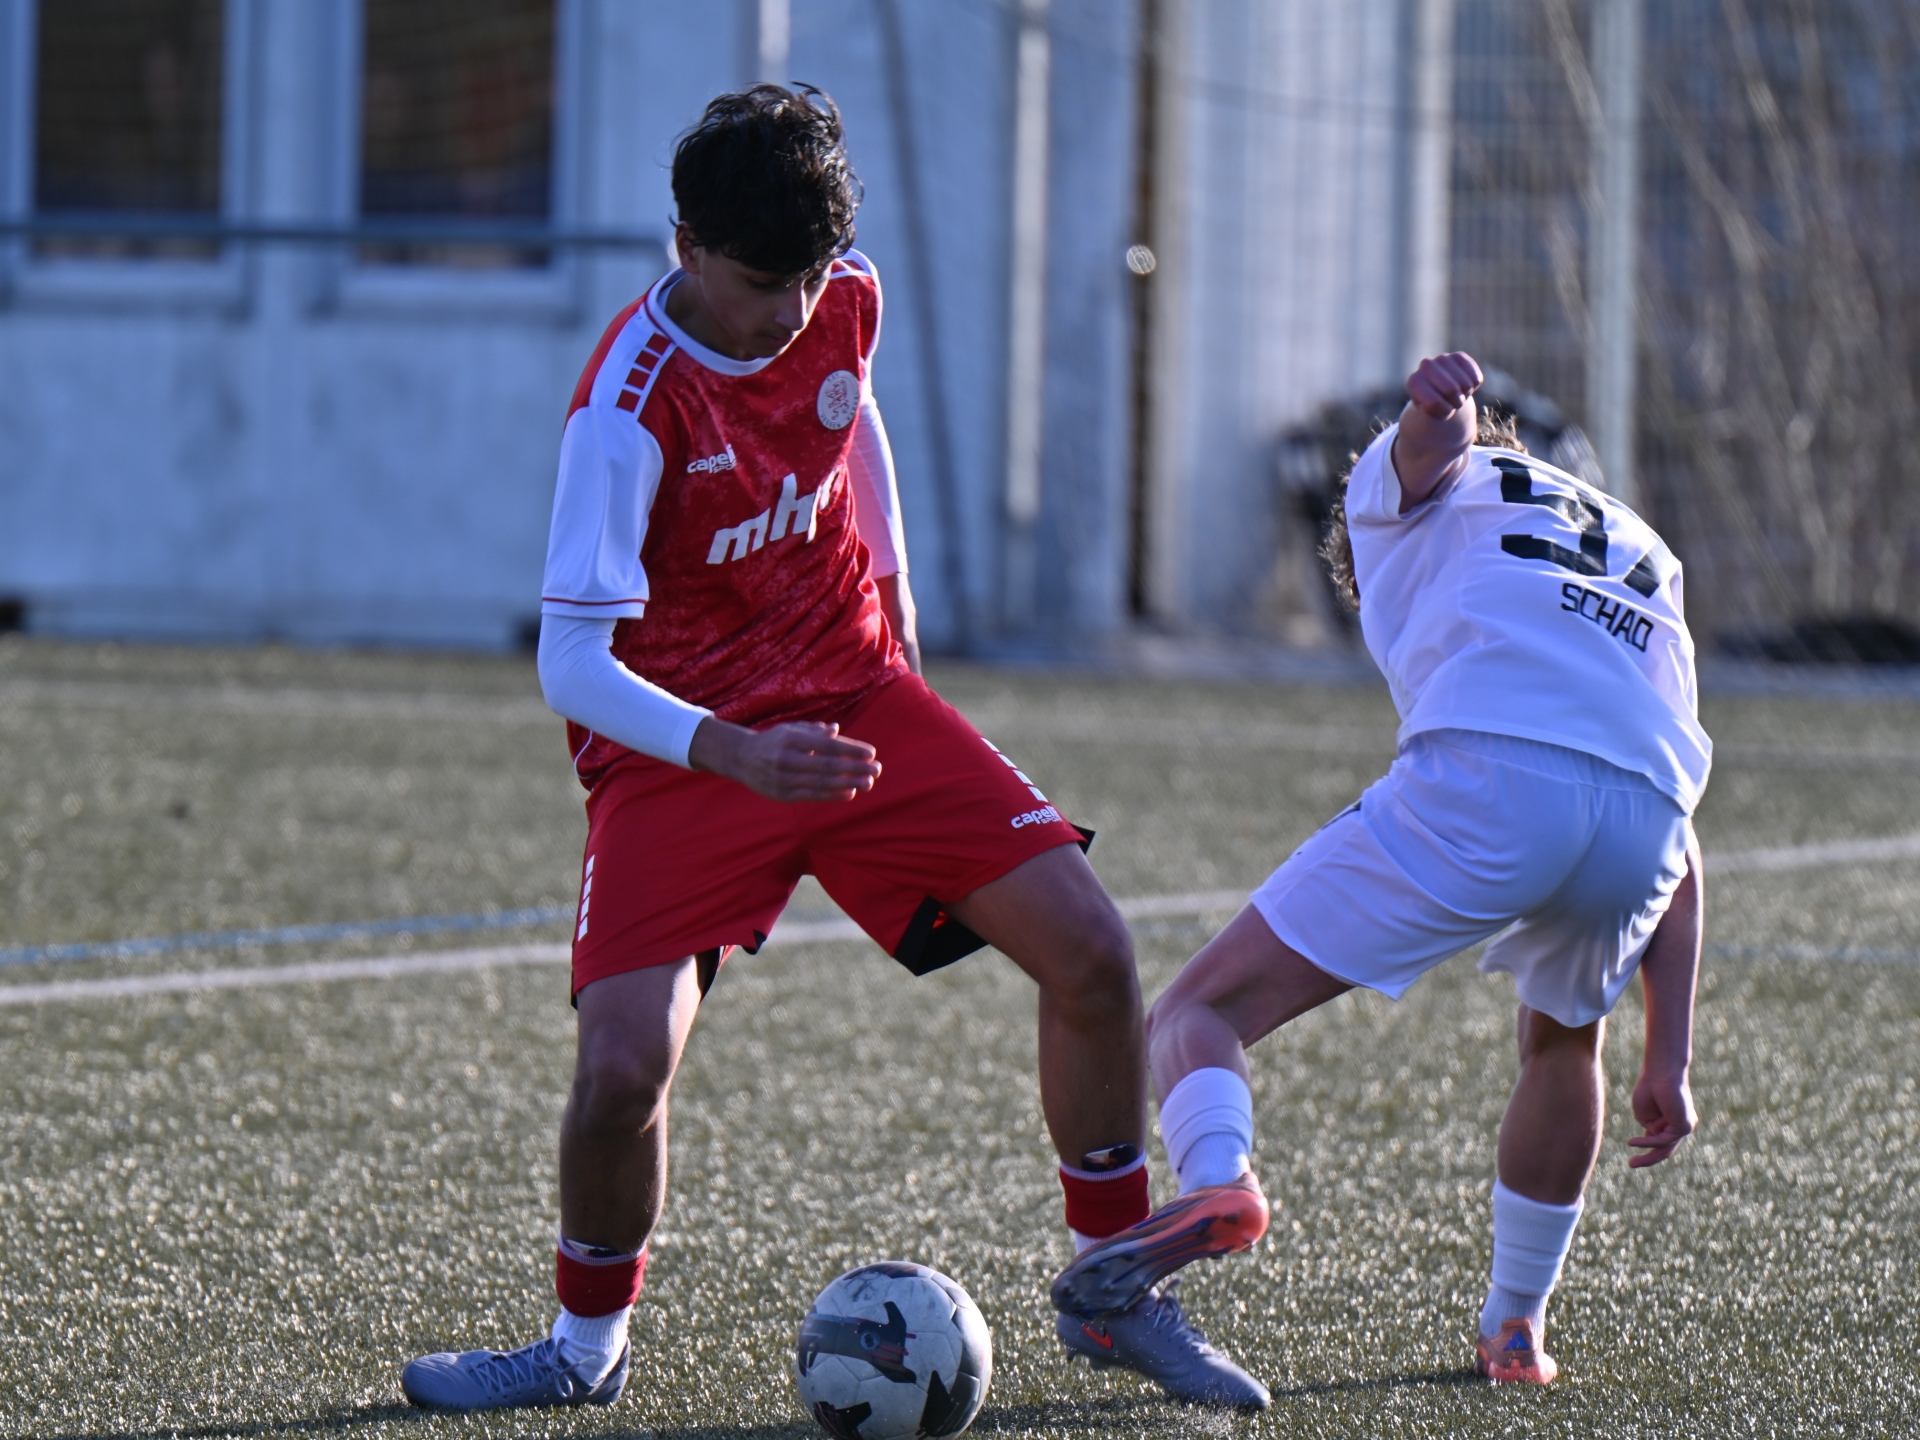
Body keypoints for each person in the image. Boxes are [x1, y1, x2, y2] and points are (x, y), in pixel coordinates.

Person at [400, 85, 1266, 1412]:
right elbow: (569, 662)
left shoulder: (840, 291)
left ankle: (1111, 1295)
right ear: (684, 243)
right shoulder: (627, 409)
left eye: (810, 276)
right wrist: (733, 753)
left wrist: (898, 598)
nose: (794, 309)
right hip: (683, 749)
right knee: (623, 1066)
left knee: (1093, 951)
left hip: (856, 697)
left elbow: (851, 412)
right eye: (763, 283)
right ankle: (583, 1355)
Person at [1052, 352, 1712, 1386]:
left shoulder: (1416, 499)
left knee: (1196, 1012)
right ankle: (1515, 1330)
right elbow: (1677, 811)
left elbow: (1426, 459)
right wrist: (1668, 1052)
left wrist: (1432, 410)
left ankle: (1220, 1181)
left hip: (1493, 778)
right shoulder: (1638, 545)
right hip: (1646, 819)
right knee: (1563, 1046)